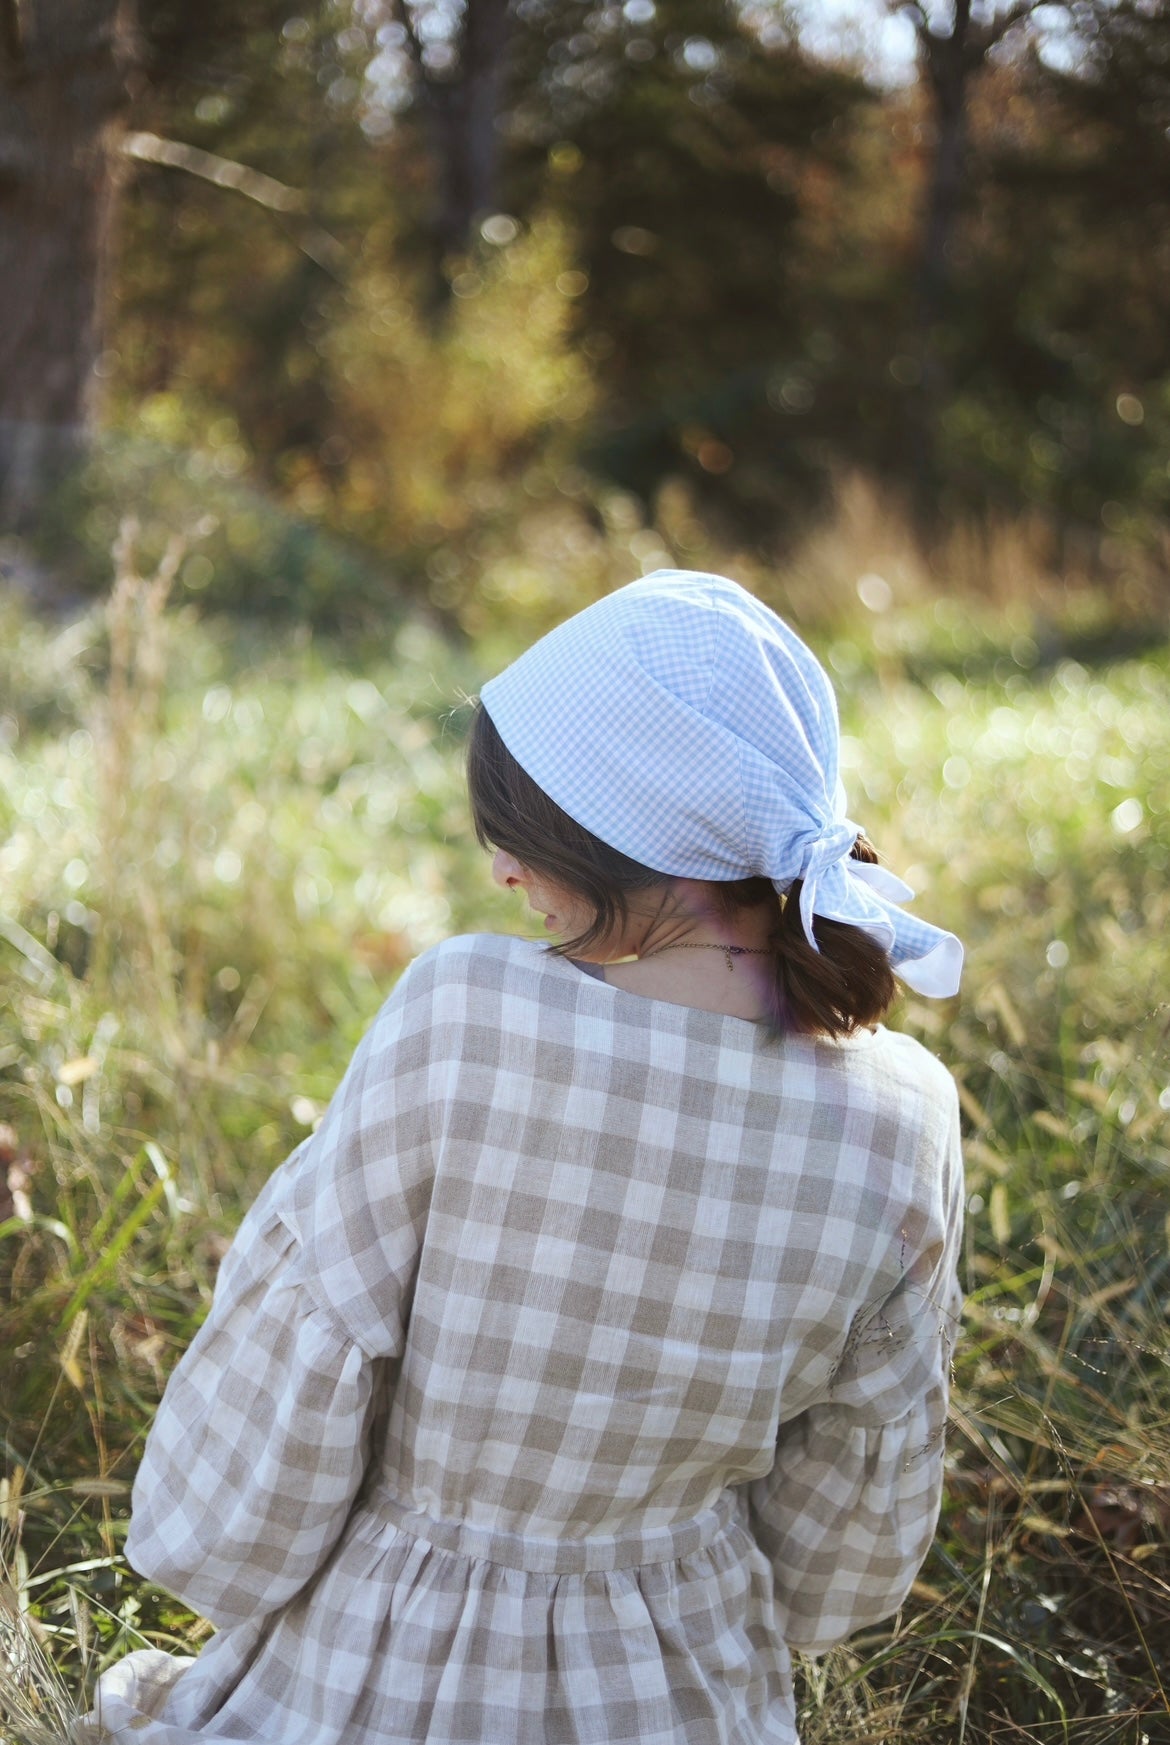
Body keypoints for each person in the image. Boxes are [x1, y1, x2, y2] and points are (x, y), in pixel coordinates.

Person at [83, 571, 965, 1745]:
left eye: (523, 830)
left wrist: (205, 1541)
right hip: (684, 1683)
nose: (502, 867)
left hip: (386, 1664)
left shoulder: (465, 1012)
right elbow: (850, 1507)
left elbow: (310, 1344)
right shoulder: (906, 1110)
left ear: (628, 828)